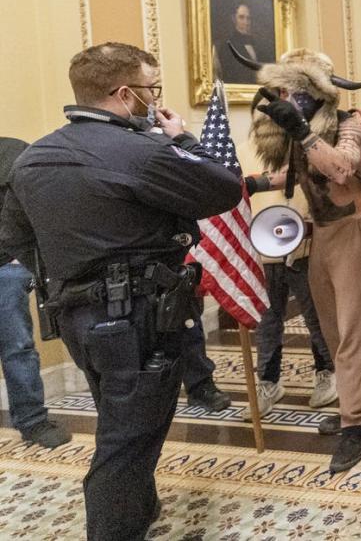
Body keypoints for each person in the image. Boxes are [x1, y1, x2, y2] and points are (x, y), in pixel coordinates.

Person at [0, 42, 242, 541]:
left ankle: (142, 507)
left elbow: (18, 236)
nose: (157, 100)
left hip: (76, 319)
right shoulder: (143, 152)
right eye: (153, 89)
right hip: (137, 319)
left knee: (120, 416)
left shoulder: (33, 157)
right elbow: (223, 188)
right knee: (126, 444)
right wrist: (184, 139)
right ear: (126, 94)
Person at [238, 48, 361, 473]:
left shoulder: (349, 123)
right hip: (321, 236)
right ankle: (358, 403)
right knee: (333, 330)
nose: (291, 96)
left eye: (299, 90)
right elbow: (298, 173)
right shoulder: (306, 132)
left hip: (354, 233)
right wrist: (247, 182)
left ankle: (356, 423)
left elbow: (341, 169)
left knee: (354, 328)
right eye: (286, 89)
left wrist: (300, 130)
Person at [0, 137, 71, 449]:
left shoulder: (14, 152)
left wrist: (22, 260)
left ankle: (32, 421)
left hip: (6, 267)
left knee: (18, 347)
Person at [249, 247, 338, 418]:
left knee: (314, 316)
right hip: (264, 252)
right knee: (266, 323)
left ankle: (326, 371)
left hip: (302, 249)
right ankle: (269, 381)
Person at [215, 2, 273, 84]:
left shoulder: (258, 45)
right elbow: (229, 75)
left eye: (248, 18)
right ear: (234, 19)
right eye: (241, 17)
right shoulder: (226, 46)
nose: (246, 22)